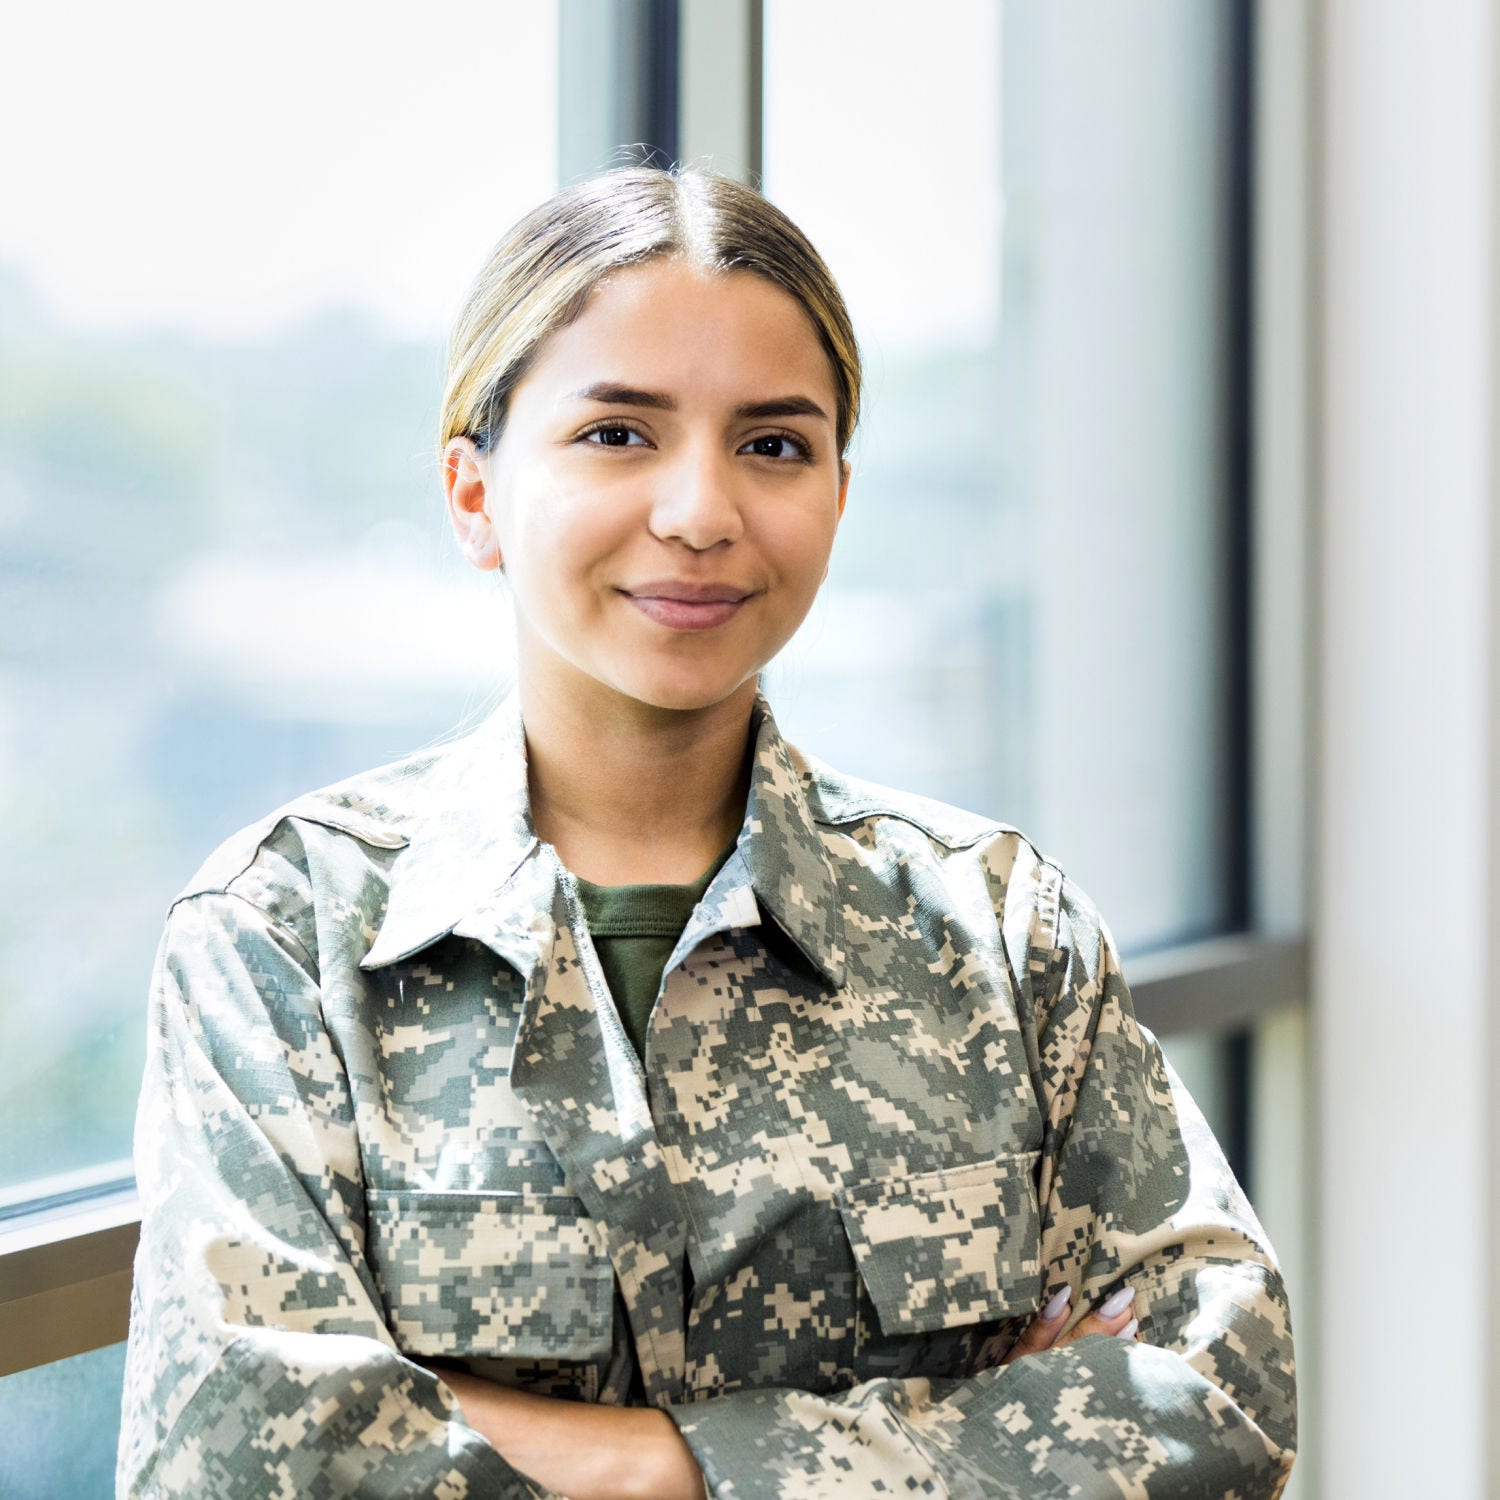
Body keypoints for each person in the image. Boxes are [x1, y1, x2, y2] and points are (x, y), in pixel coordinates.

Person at [118, 165, 1297, 1499]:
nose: (699, 512)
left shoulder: (996, 928)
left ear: (839, 498)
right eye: (618, 435)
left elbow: (1218, 1397)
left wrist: (613, 1463)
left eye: (773, 444)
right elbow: (239, 1464)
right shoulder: (288, 933)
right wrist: (958, 1440)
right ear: (472, 493)